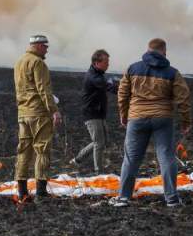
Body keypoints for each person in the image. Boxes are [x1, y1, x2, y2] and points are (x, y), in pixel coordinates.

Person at [110, 38, 191, 208]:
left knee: (131, 158)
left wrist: (123, 115)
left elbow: (122, 94)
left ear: (148, 50)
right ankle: (172, 199)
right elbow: (183, 98)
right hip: (163, 118)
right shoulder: (172, 72)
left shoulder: (132, 68)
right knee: (166, 157)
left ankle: (123, 197)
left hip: (137, 118)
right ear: (164, 51)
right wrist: (185, 120)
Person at [13, 34, 61, 201]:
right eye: (45, 46)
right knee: (42, 150)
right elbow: (43, 89)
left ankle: (22, 192)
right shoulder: (38, 63)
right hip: (39, 113)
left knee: (23, 151)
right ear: (39, 46)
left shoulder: (19, 62)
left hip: (23, 113)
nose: (47, 49)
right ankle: (41, 192)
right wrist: (54, 110)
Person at [70, 49, 116, 173]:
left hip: (98, 113)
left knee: (101, 141)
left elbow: (109, 85)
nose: (108, 64)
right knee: (99, 143)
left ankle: (77, 160)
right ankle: (98, 171)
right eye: (106, 62)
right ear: (96, 63)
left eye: (108, 61)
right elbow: (111, 88)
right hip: (92, 114)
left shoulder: (98, 74)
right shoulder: (94, 77)